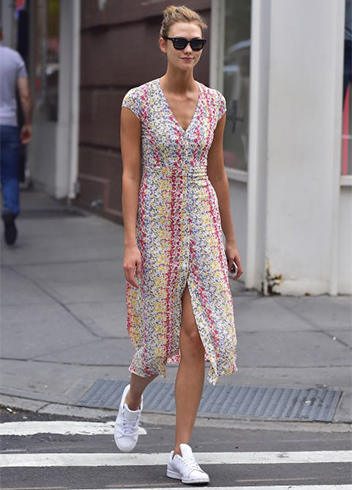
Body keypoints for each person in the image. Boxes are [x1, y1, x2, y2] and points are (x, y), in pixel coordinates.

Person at [114, 5, 243, 485]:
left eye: (198, 44)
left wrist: (230, 237)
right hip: (156, 225)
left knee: (197, 336)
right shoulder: (138, 102)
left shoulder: (215, 103)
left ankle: (181, 450)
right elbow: (130, 174)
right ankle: (132, 400)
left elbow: (219, 173)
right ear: (163, 44)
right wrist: (129, 241)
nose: (190, 51)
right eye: (182, 42)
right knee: (156, 338)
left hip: (203, 223)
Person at [0, 24, 32, 245]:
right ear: (2, 34)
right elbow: (25, 95)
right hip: (8, 124)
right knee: (9, 175)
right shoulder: (14, 58)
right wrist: (27, 123)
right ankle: (10, 210)